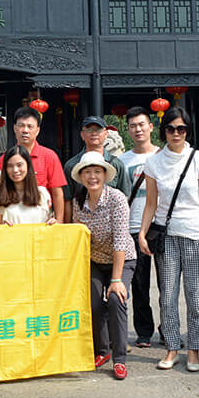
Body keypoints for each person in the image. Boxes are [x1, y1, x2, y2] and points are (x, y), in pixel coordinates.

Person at [138, 106, 199, 372]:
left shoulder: (198, 158)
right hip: (167, 235)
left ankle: (194, 349)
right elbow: (151, 202)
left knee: (196, 297)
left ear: (187, 131)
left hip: (195, 234)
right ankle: (172, 347)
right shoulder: (154, 162)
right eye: (170, 129)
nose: (176, 133)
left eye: (181, 128)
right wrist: (142, 233)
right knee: (167, 296)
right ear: (164, 131)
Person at [70, 151, 136, 380]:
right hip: (95, 260)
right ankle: (103, 350)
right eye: (87, 172)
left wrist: (116, 280)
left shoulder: (117, 198)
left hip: (122, 258)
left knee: (116, 299)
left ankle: (120, 359)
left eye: (97, 171)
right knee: (94, 302)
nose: (92, 177)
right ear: (81, 176)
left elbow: (120, 240)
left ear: (105, 175)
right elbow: (78, 235)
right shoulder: (78, 201)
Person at [117, 106, 161, 348]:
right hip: (133, 227)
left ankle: (168, 328)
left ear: (151, 127)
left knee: (167, 284)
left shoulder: (163, 155)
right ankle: (144, 331)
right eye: (133, 126)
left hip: (161, 226)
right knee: (140, 284)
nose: (138, 129)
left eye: (142, 124)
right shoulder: (123, 161)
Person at [0, 107, 67, 222]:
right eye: (21, 126)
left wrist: (59, 223)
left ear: (37, 130)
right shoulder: (5, 159)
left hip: (42, 220)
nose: (25, 130)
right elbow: (0, 192)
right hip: (13, 221)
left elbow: (57, 193)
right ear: (15, 128)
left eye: (30, 126)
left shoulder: (49, 156)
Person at [62, 116, 129, 214]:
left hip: (111, 220)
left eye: (98, 130)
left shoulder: (116, 164)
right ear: (82, 135)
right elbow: (68, 200)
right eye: (89, 130)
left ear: (106, 134)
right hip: (81, 219)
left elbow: (124, 196)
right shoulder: (71, 165)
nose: (93, 133)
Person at [0, 145, 56, 226]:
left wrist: (52, 223)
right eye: (10, 166)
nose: (15, 170)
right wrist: (2, 226)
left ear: (28, 165)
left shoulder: (42, 194)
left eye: (19, 165)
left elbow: (48, 223)